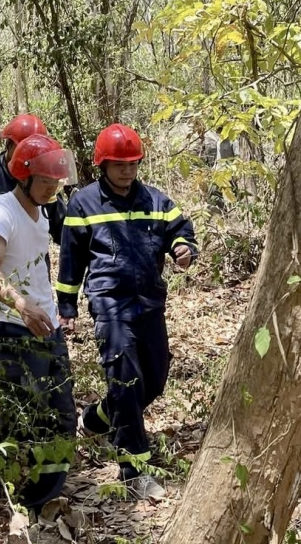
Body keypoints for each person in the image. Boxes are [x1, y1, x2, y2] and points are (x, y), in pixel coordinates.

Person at [55, 124, 198, 500]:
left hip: (151, 302)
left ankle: (96, 418)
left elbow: (181, 230)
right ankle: (134, 468)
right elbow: (70, 260)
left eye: (133, 163)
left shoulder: (155, 200)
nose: (127, 170)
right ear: (102, 164)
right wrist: (66, 306)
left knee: (155, 379)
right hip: (109, 304)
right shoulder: (83, 204)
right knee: (126, 380)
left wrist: (183, 248)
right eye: (119, 164)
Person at [0, 134, 77, 511]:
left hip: (46, 324)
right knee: (29, 413)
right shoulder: (1, 212)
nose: (52, 190)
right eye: (46, 183)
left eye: (56, 184)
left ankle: (43, 494)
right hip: (13, 326)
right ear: (24, 176)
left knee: (63, 411)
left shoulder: (43, 211)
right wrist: (21, 305)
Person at [0, 114, 66, 282]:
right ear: (9, 145)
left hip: (37, 278)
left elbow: (62, 229)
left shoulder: (44, 178)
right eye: (24, 146)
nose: (31, 154)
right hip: (2, 281)